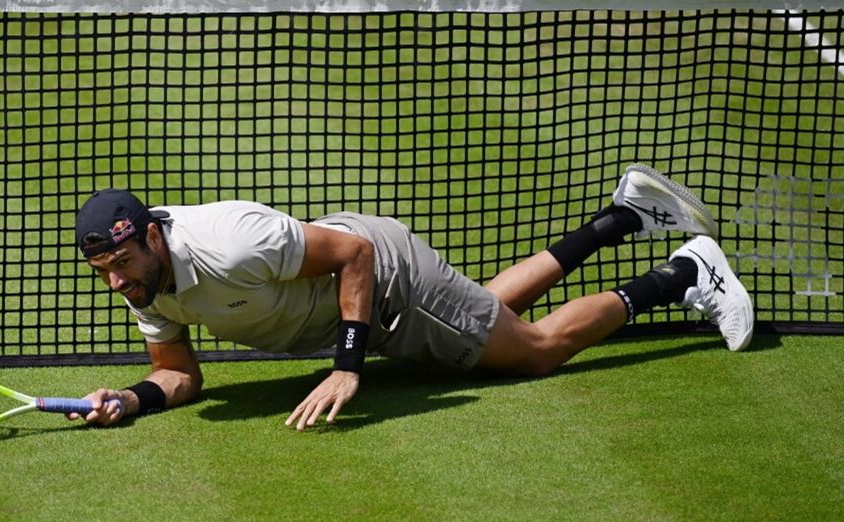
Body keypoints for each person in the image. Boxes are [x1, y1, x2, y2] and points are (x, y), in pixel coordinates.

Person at [69, 164, 753, 430]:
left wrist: (348, 364)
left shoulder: (230, 241)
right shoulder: (144, 283)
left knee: (536, 351)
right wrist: (130, 399)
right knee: (487, 311)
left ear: (153, 238)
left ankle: (682, 277)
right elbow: (180, 373)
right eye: (105, 270)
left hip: (387, 280)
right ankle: (624, 218)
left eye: (123, 263)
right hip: (369, 301)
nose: (117, 282)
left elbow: (354, 255)